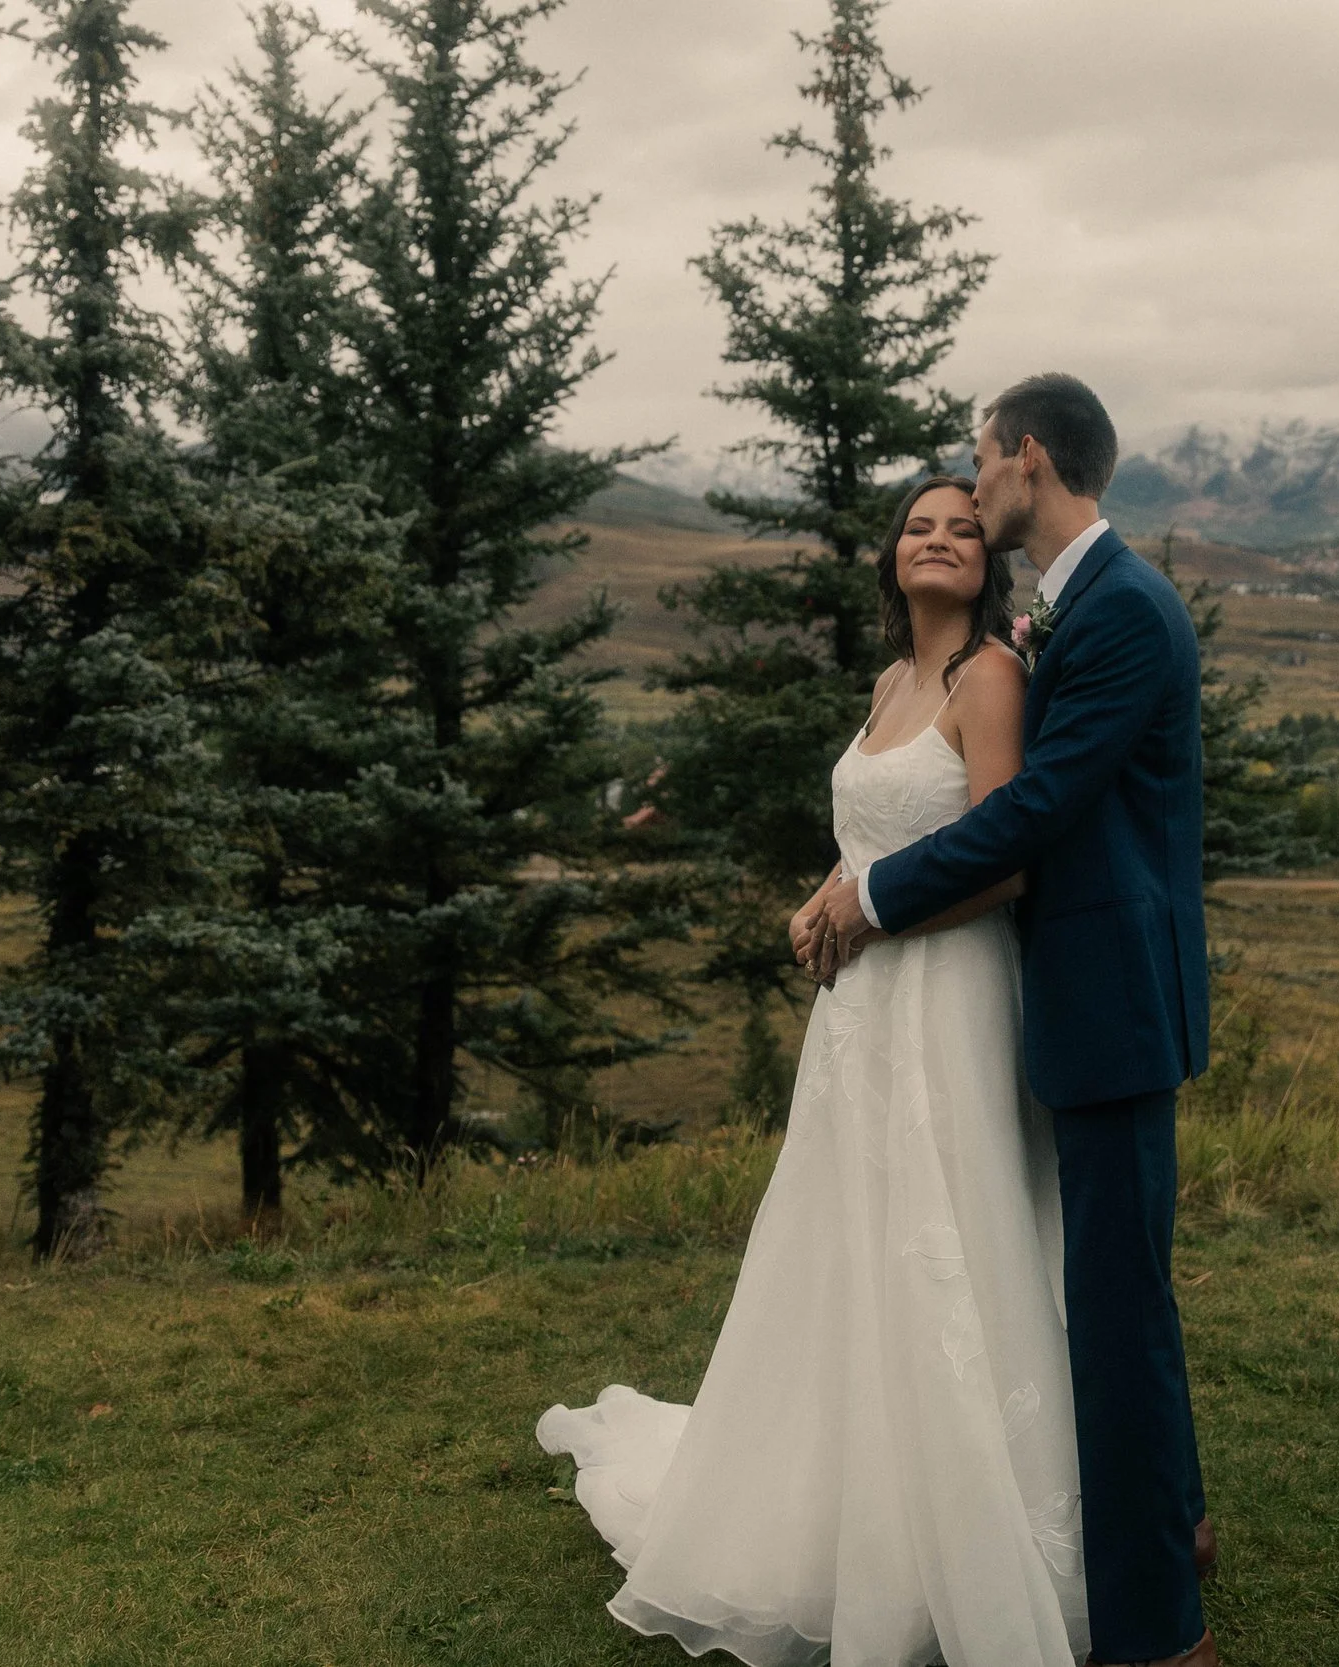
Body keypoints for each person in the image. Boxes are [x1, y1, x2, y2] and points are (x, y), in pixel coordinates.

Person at [537, 475, 1091, 1667]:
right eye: (916, 528)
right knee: (853, 1239)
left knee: (944, 1234)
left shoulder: (988, 677)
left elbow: (1004, 861)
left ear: (984, 562)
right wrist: (822, 896)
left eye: (959, 526)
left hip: (945, 995)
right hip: (860, 1013)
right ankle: (843, 1506)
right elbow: (871, 838)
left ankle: (963, 1533)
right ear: (891, 560)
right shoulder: (891, 683)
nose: (937, 540)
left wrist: (871, 914)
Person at [815, 374, 1218, 1667]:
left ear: (1027, 460)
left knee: (1114, 1312)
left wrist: (870, 891)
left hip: (1110, 999)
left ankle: (1160, 1631)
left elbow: (1033, 811)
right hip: (1083, 993)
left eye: (982, 465)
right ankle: (1178, 1523)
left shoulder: (1122, 614)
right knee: (1111, 1294)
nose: (973, 489)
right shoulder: (1078, 601)